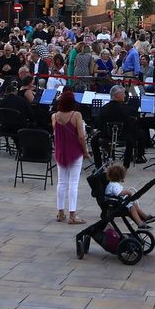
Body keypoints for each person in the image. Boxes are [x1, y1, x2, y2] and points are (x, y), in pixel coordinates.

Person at [51, 88, 90, 225]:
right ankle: (72, 215)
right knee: (74, 183)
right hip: (75, 151)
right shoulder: (76, 115)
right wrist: (85, 151)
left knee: (61, 182)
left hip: (60, 151)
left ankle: (60, 212)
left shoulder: (55, 116)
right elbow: (81, 136)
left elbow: (56, 134)